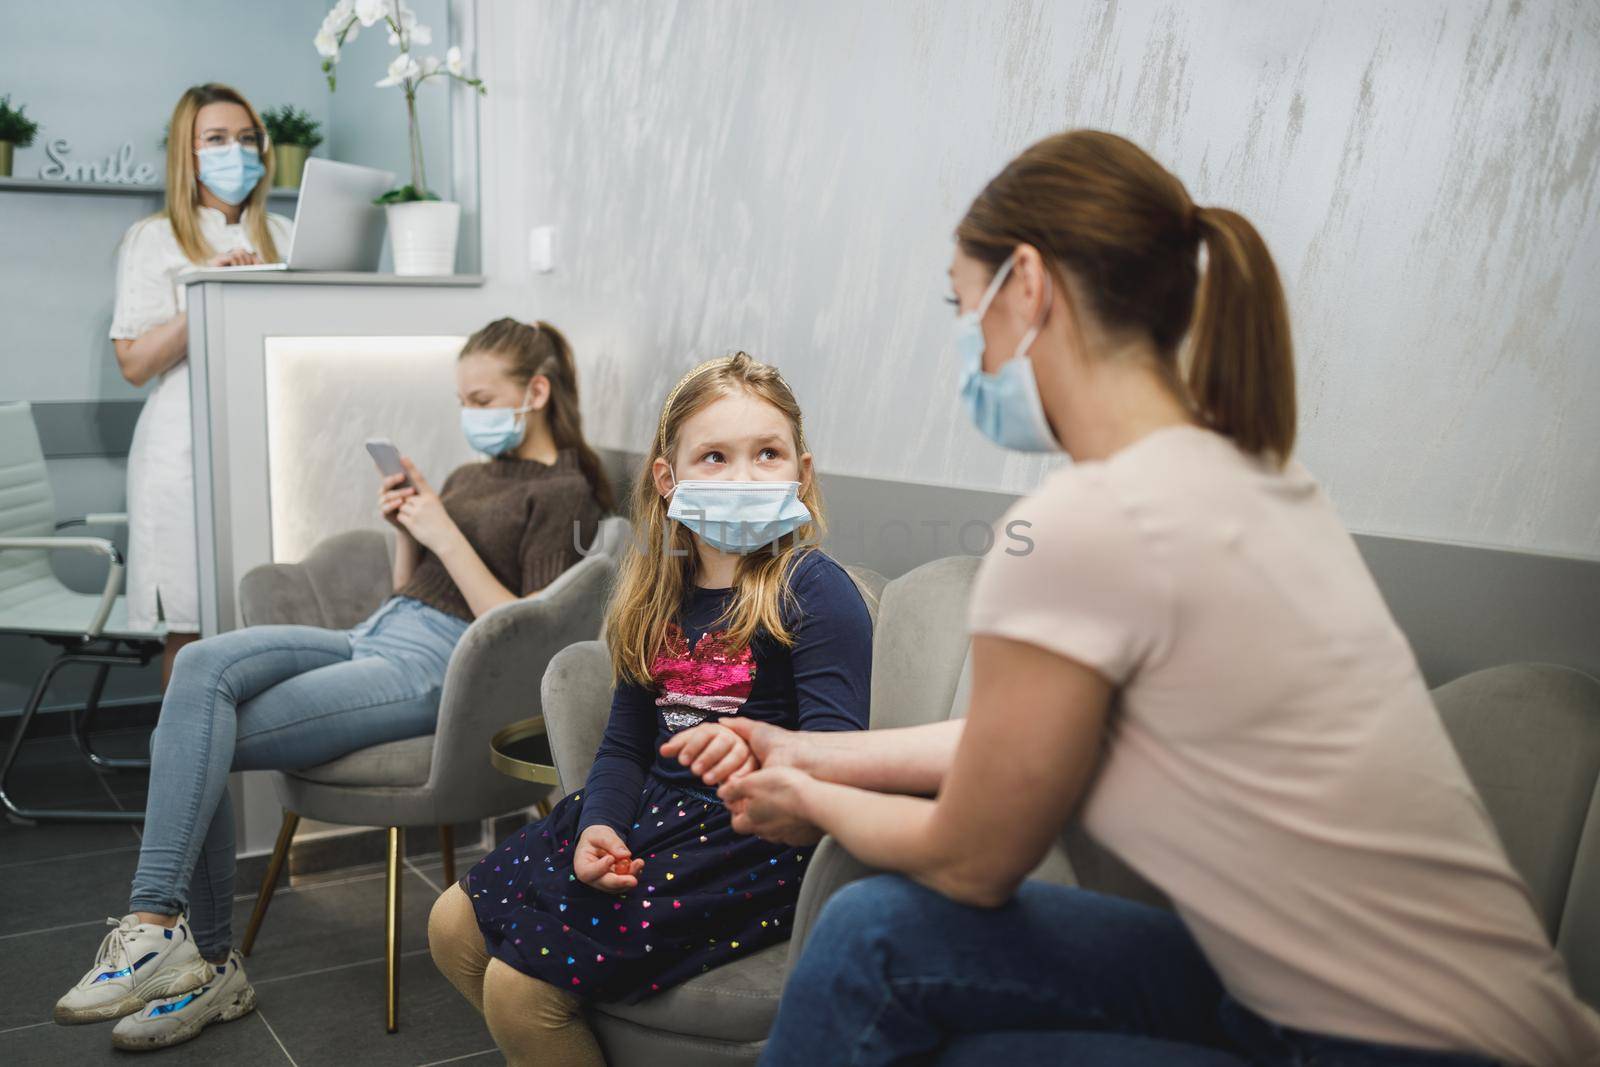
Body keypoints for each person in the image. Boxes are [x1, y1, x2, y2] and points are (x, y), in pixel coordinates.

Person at [709, 130, 1600, 1066]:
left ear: (1028, 285)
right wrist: (813, 748)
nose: (972, 347)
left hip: (1399, 1042)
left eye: (966, 308)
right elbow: (1027, 742)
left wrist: (809, 798)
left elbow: (974, 859)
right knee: (873, 935)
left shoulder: (1085, 524)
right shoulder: (1255, 479)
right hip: (1346, 997)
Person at [53, 317, 609, 1053]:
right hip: (376, 631)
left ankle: (190, 951)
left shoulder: (566, 491)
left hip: (435, 668)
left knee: (185, 739)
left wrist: (443, 532)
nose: (470, 413)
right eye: (463, 398)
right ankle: (173, 940)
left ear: (535, 391)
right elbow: (415, 589)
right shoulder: (472, 474)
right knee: (199, 668)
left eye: (482, 396)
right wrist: (411, 533)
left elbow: (526, 631)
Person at [427, 353, 873, 1067]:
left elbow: (838, 761)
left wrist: (757, 759)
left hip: (749, 843)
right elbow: (624, 744)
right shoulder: (656, 595)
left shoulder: (814, 591)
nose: (744, 477)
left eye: (768, 454)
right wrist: (598, 821)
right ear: (669, 479)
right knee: (451, 924)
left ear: (803, 472)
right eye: (715, 457)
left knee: (519, 992)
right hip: (648, 815)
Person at [111, 83, 291, 684]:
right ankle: (193, 778)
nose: (234, 151)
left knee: (269, 617)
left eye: (246, 138)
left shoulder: (285, 237)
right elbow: (135, 363)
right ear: (186, 155)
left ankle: (261, 779)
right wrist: (208, 295)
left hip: (269, 448)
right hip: (180, 456)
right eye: (215, 139)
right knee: (191, 630)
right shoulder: (155, 239)